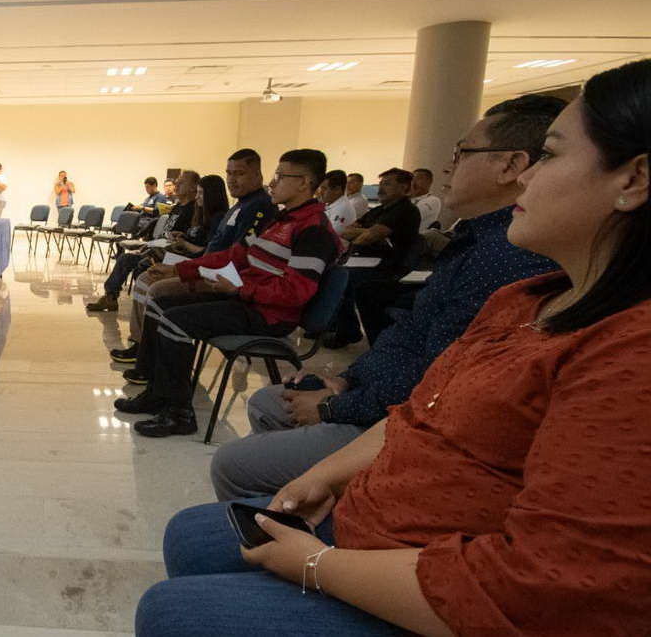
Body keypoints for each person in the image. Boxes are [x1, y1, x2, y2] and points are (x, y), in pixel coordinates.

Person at [136, 59, 651, 637]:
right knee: (190, 534)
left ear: (633, 180)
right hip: (378, 511)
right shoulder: (525, 298)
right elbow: (419, 405)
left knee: (170, 610)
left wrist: (316, 564)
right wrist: (327, 473)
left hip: (436, 568)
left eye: (550, 156)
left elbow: (541, 590)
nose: (528, 179)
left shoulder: (628, 357)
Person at [210, 94, 565, 502]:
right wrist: (346, 379)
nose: (447, 166)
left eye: (461, 153)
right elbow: (409, 335)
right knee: (268, 402)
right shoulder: (477, 241)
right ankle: (295, 503)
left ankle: (291, 517)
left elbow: (440, 379)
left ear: (511, 166)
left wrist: (333, 406)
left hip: (405, 420)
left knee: (233, 464)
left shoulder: (508, 256)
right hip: (380, 393)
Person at [114, 150, 340, 438]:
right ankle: (157, 393)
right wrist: (179, 270)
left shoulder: (314, 229)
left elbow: (295, 293)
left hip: (269, 315)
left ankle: (179, 413)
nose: (273, 182)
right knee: (160, 304)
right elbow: (235, 255)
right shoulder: (281, 220)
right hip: (247, 299)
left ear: (304, 182)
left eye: (281, 176)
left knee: (175, 321)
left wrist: (240, 289)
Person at [108, 149, 275, 364]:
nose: (232, 179)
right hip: (206, 266)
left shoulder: (258, 206)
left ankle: (148, 355)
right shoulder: (241, 204)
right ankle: (141, 345)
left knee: (154, 288)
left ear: (258, 175)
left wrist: (182, 269)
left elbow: (236, 256)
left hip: (221, 277)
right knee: (144, 277)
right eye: (229, 173)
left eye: (239, 173)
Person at [326, 168, 422, 348]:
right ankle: (347, 329)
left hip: (390, 267)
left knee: (344, 279)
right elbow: (347, 231)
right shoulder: (378, 211)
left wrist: (368, 233)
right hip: (366, 261)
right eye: (381, 184)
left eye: (387, 184)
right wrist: (369, 232)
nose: (381, 188)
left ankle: (355, 333)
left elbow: (366, 238)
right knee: (336, 274)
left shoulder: (405, 210)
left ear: (404, 188)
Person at [87, 171, 200, 312]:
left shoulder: (195, 210)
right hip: (160, 249)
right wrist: (150, 247)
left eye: (181, 182)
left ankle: (145, 306)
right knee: (125, 258)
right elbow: (166, 233)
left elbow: (187, 239)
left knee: (139, 265)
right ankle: (110, 297)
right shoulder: (177, 207)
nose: (176, 184)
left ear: (193, 187)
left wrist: (165, 246)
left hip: (172, 255)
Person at [318, 169, 357, 235]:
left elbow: (329, 234)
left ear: (337, 190)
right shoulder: (331, 204)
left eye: (324, 188)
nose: (320, 192)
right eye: (320, 188)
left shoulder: (343, 208)